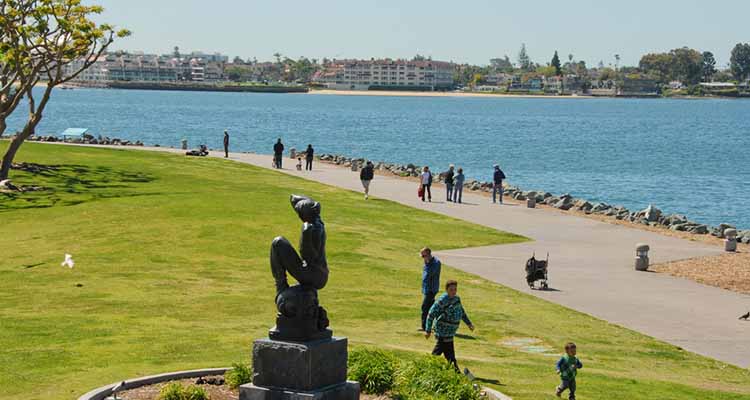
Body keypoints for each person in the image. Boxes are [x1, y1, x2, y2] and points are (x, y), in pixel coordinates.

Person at [425, 280, 474, 372]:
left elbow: (461, 312)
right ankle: (455, 371)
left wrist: (469, 323)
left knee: (447, 353)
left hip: (451, 333)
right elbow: (431, 314)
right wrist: (428, 330)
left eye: (455, 289)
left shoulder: (457, 299)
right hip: (442, 332)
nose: (453, 291)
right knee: (442, 352)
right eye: (451, 289)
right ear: (446, 290)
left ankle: (454, 371)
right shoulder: (442, 301)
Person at [419, 247, 441, 331]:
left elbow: (430, 273)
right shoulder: (427, 262)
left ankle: (424, 327)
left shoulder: (435, 263)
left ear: (428, 255)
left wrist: (427, 263)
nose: (422, 258)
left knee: (425, 307)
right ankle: (435, 325)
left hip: (431, 289)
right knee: (432, 308)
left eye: (423, 256)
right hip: (427, 289)